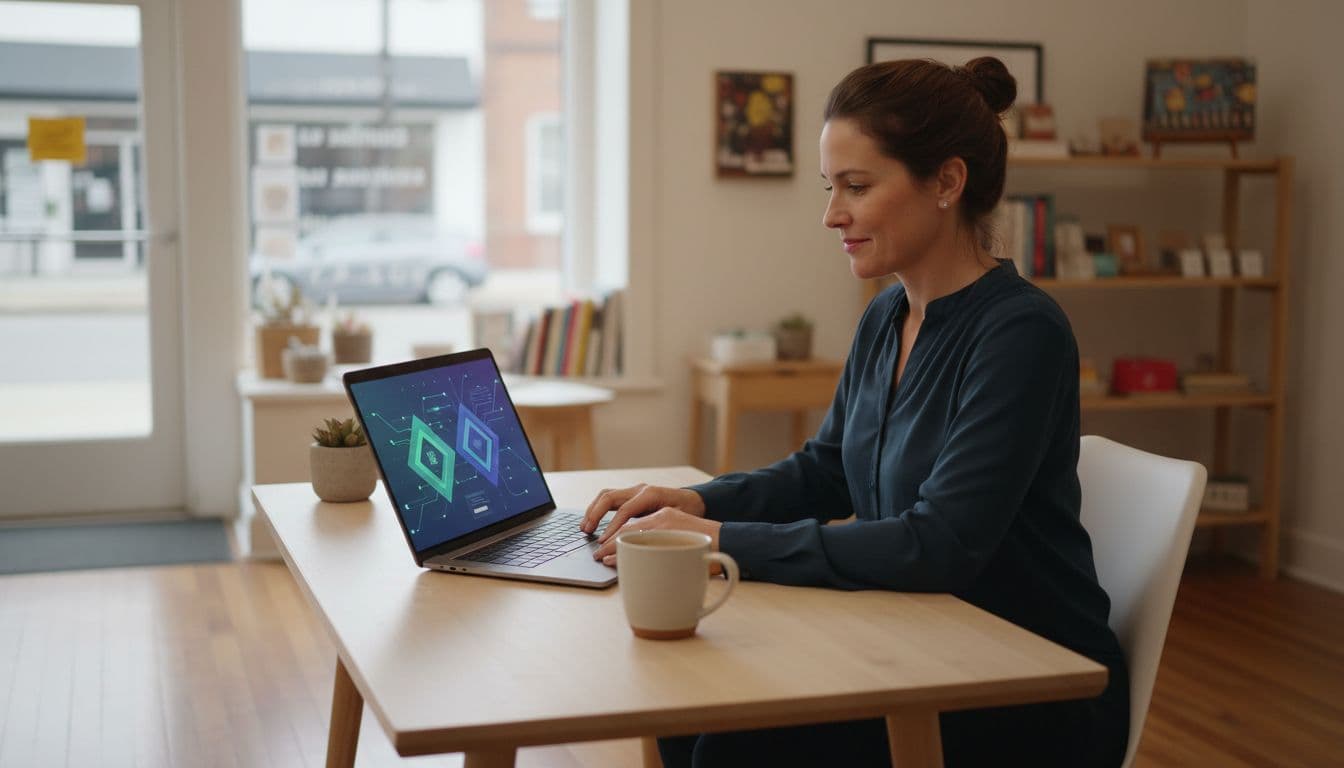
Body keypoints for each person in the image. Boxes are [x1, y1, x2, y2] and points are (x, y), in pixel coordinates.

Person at [580, 56, 1130, 768]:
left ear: (947, 182)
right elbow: (828, 469)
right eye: (830, 187)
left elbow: (940, 544)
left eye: (857, 187)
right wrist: (695, 501)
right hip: (916, 638)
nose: (832, 214)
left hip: (1031, 683)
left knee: (730, 746)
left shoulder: (1021, 333)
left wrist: (717, 539)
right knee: (690, 704)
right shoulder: (887, 315)